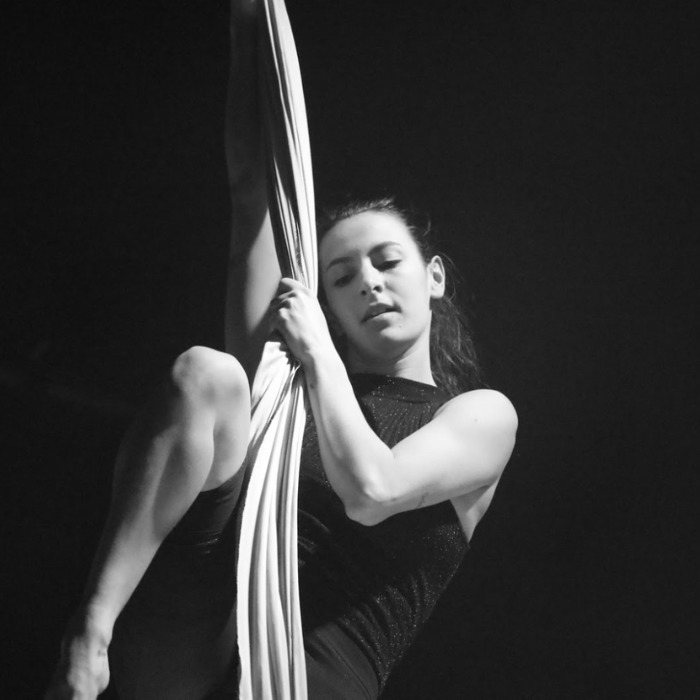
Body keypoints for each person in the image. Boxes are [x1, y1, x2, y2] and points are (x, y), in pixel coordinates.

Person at [45, 1, 517, 698]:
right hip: (196, 636)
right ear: (327, 303)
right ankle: (91, 630)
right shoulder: (289, 383)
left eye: (388, 262)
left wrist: (319, 351)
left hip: (309, 677)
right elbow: (251, 195)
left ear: (435, 277)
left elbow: (374, 489)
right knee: (209, 374)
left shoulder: (480, 415)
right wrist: (249, 24)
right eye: (342, 277)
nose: (369, 283)